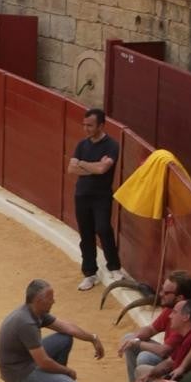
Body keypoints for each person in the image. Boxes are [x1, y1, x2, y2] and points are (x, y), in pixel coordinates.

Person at [0, 279, 105, 382]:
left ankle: (51, 380)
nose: (54, 301)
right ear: (39, 301)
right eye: (50, 298)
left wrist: (92, 338)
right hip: (18, 372)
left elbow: (67, 328)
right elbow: (43, 362)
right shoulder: (26, 323)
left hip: (27, 359)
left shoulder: (36, 311)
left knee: (65, 338)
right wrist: (67, 371)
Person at [67, 108, 126, 290]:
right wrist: (94, 166)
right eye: (84, 125)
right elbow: (71, 169)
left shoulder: (112, 145)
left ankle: (114, 267)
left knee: (103, 228)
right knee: (86, 234)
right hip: (82, 195)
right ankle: (90, 273)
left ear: (101, 125)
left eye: (90, 125)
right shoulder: (82, 145)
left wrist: (83, 164)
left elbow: (102, 170)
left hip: (101, 195)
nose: (86, 128)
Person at [116, 270, 191, 382]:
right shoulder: (172, 309)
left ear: (180, 298)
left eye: (166, 292)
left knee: (144, 356)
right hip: (169, 359)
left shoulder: (184, 319)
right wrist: (134, 339)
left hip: (176, 366)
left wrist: (137, 342)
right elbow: (151, 329)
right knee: (129, 338)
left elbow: (164, 351)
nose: (161, 294)